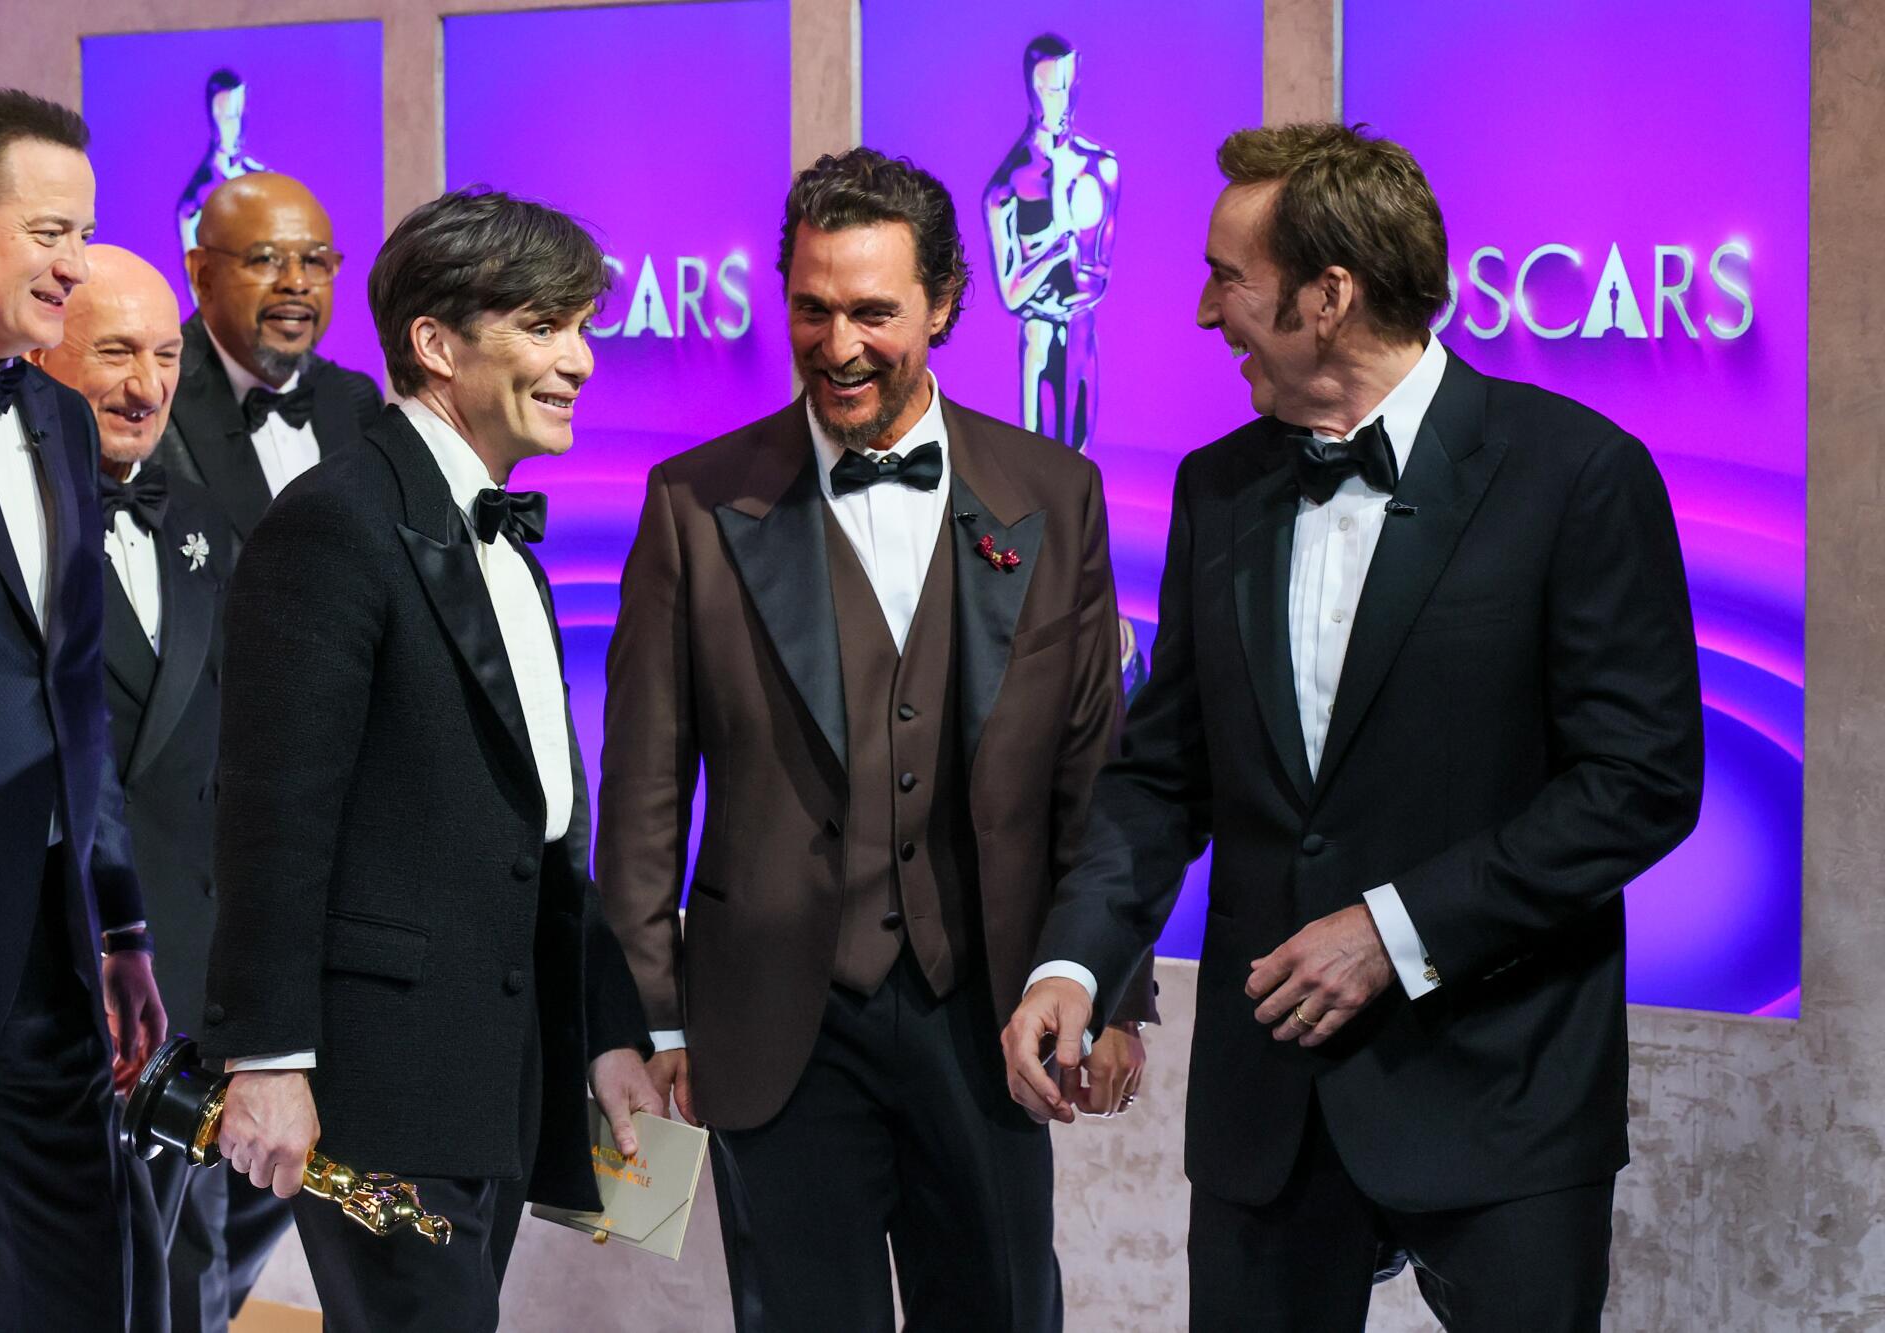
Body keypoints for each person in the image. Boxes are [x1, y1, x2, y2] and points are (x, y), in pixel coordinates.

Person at [1002, 122, 1705, 1332]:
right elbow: (1161, 776)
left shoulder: (1576, 475)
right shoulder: (1213, 486)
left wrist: (1395, 930)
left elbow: (1638, 781)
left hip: (1502, 1091)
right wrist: (1075, 960)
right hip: (1267, 1109)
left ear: (1327, 296)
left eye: (1229, 276)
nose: (1201, 312)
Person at [598, 147, 1152, 1333]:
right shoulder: (691, 502)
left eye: (871, 312)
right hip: (774, 1022)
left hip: (988, 1007)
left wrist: (1107, 984)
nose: (836, 342)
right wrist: (650, 1013)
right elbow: (642, 784)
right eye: (810, 306)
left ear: (944, 305)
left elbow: (1091, 767)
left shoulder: (1056, 491)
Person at [199, 186, 660, 1333]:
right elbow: (269, 814)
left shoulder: (501, 535)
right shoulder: (335, 524)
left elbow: (540, 829)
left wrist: (602, 1025)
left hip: (492, 1080)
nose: (579, 361)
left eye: (582, 327)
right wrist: (265, 1057)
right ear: (436, 344)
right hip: (378, 1089)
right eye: (544, 327)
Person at [29, 243, 241, 1333]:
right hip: (61, 975)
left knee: (191, 1273)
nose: (146, 386)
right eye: (114, 352)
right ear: (44, 353)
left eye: (164, 355)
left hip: (195, 980)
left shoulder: (210, 525)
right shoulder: (0, 535)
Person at [0, 89, 166, 1331]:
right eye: (50, 229)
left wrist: (118, 923)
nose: (76, 263)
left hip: (49, 940)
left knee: (79, 1279)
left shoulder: (54, 415)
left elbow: (76, 692)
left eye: (84, 231)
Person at [155, 172, 382, 546]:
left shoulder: (356, 400)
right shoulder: (153, 397)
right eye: (265, 259)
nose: (296, 283)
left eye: (314, 261)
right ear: (203, 275)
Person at [984, 33, 1118, 452]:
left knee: (1080, 456)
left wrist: (1068, 265)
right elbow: (1010, 294)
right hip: (1039, 335)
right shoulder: (1006, 186)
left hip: (1082, 329)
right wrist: (1057, 253)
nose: (1060, 101)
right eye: (1050, 89)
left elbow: (1099, 273)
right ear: (1032, 89)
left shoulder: (1101, 168)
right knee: (1039, 461)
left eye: (1068, 87)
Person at [175, 69, 268, 261]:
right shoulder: (194, 203)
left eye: (241, 114)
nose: (238, 127)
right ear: (212, 120)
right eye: (229, 117)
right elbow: (196, 280)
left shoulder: (265, 180)